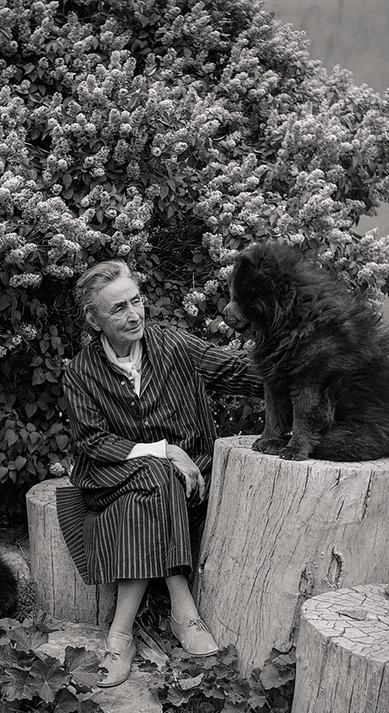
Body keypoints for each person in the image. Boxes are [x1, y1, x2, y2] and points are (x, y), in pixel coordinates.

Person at [57, 259, 262, 687]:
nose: (133, 315)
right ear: (93, 319)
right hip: (114, 478)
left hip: (189, 481)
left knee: (158, 478)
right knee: (156, 472)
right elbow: (93, 442)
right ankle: (183, 610)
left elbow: (237, 372)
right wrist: (167, 451)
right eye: (118, 309)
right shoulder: (80, 372)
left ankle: (120, 634)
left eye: (136, 301)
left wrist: (309, 367)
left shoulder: (174, 346)